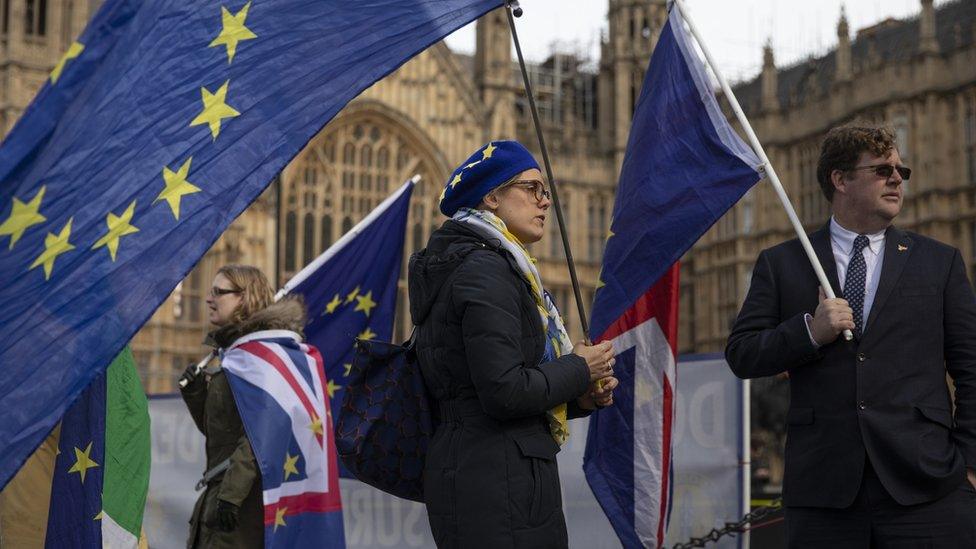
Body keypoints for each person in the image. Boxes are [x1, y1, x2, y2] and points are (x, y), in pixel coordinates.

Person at [726, 125, 976, 547]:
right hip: (824, 492)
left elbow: (971, 365)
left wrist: (970, 463)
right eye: (882, 170)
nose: (897, 179)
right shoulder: (783, 262)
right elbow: (742, 353)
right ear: (840, 180)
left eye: (901, 170)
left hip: (927, 487)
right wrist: (810, 331)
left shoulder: (939, 262)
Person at [409, 140, 618, 548]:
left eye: (547, 193)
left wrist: (582, 398)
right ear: (492, 198)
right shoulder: (485, 270)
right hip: (497, 485)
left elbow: (481, 385)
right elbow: (504, 391)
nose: (545, 203)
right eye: (532, 189)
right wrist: (579, 367)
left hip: (488, 475)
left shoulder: (480, 263)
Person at [179, 265, 304, 549]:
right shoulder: (233, 357)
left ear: (244, 298)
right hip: (217, 502)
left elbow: (261, 433)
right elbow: (222, 433)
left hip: (242, 508)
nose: (209, 298)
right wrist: (197, 392)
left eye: (219, 292)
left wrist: (230, 496)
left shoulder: (262, 356)